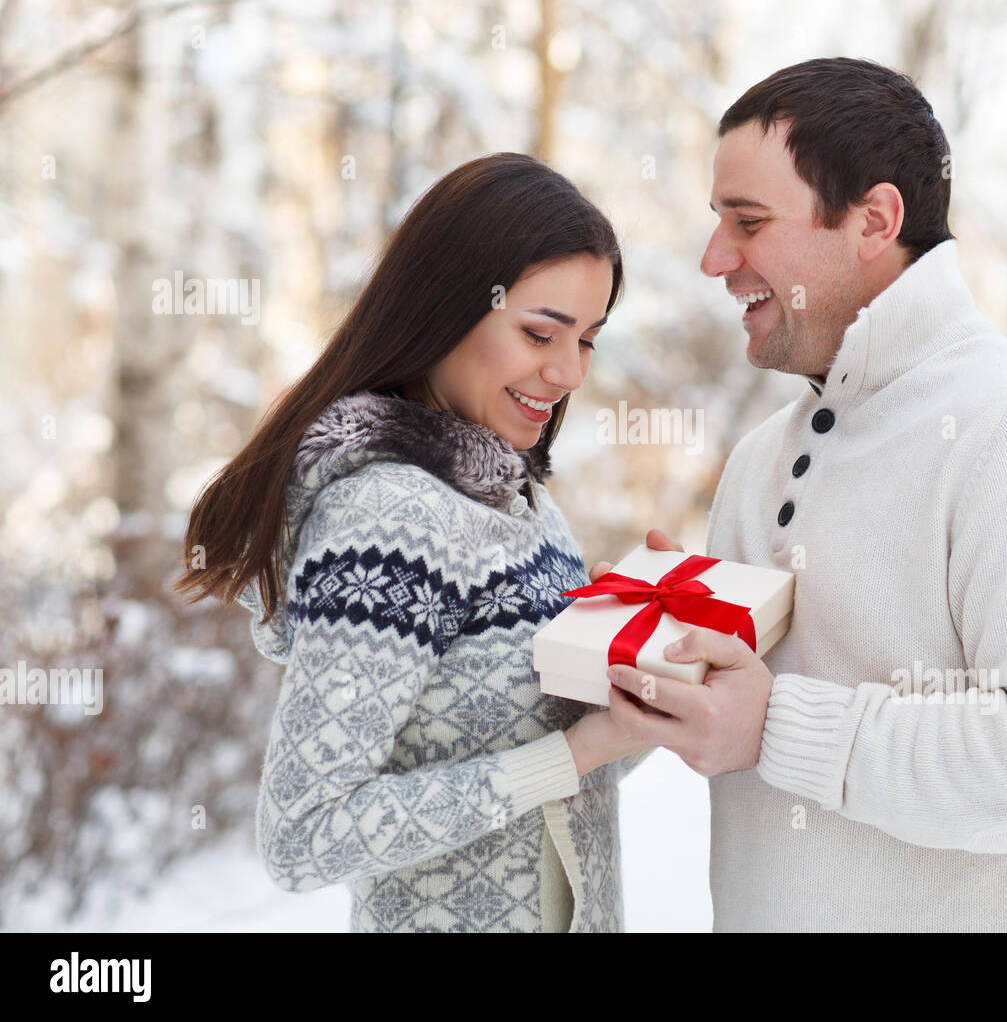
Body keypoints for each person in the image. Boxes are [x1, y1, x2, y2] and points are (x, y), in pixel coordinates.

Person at [599, 57, 1007, 932]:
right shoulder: (757, 459)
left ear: (873, 219)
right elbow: (735, 718)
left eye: (748, 222)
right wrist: (651, 642)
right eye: (718, 223)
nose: (715, 259)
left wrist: (780, 722)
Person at [173, 152, 655, 932]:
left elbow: (580, 769)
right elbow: (305, 834)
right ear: (445, 309)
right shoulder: (390, 517)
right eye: (541, 332)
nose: (568, 372)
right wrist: (572, 755)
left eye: (590, 339)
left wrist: (633, 664)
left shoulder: (519, 498)